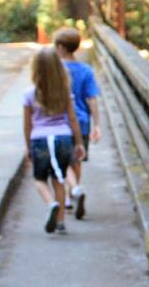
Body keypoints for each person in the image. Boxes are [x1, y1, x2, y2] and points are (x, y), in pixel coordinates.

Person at [24, 47, 86, 234]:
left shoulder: (30, 94)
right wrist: (79, 142)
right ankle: (60, 223)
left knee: (40, 179)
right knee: (59, 179)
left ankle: (51, 204)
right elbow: (73, 119)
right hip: (63, 138)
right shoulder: (65, 93)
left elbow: (27, 125)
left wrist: (28, 147)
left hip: (40, 140)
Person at [53, 26, 101, 220]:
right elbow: (92, 99)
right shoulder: (86, 70)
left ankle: (68, 193)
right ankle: (76, 189)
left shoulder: (55, 69)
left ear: (61, 47)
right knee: (77, 158)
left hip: (59, 120)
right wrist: (97, 124)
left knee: (61, 159)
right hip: (82, 121)